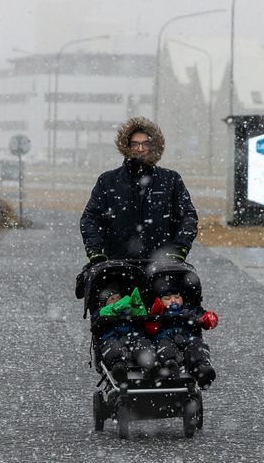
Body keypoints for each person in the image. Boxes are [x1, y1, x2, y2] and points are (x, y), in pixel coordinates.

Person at [80, 116, 198, 264]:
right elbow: (91, 217)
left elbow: (187, 217)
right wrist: (94, 250)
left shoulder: (171, 180)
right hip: (116, 265)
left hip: (163, 267)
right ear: (126, 146)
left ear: (153, 145)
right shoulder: (108, 181)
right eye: (135, 144)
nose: (140, 149)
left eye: (145, 144)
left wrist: (179, 250)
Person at [145, 283, 218, 389]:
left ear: (183, 298)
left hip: (187, 338)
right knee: (164, 345)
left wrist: (205, 319)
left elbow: (208, 318)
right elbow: (150, 329)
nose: (173, 300)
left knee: (197, 343)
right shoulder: (159, 313)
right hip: (166, 338)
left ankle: (201, 368)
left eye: (177, 297)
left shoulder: (190, 310)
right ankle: (170, 364)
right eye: (167, 298)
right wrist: (156, 315)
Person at [93, 285, 155, 382]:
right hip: (113, 339)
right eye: (112, 299)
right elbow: (98, 320)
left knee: (143, 343)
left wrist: (135, 307)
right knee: (113, 347)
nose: (116, 300)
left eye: (118, 297)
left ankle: (149, 366)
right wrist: (113, 311)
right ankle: (118, 368)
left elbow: (141, 315)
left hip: (133, 338)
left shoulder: (129, 310)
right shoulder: (102, 312)